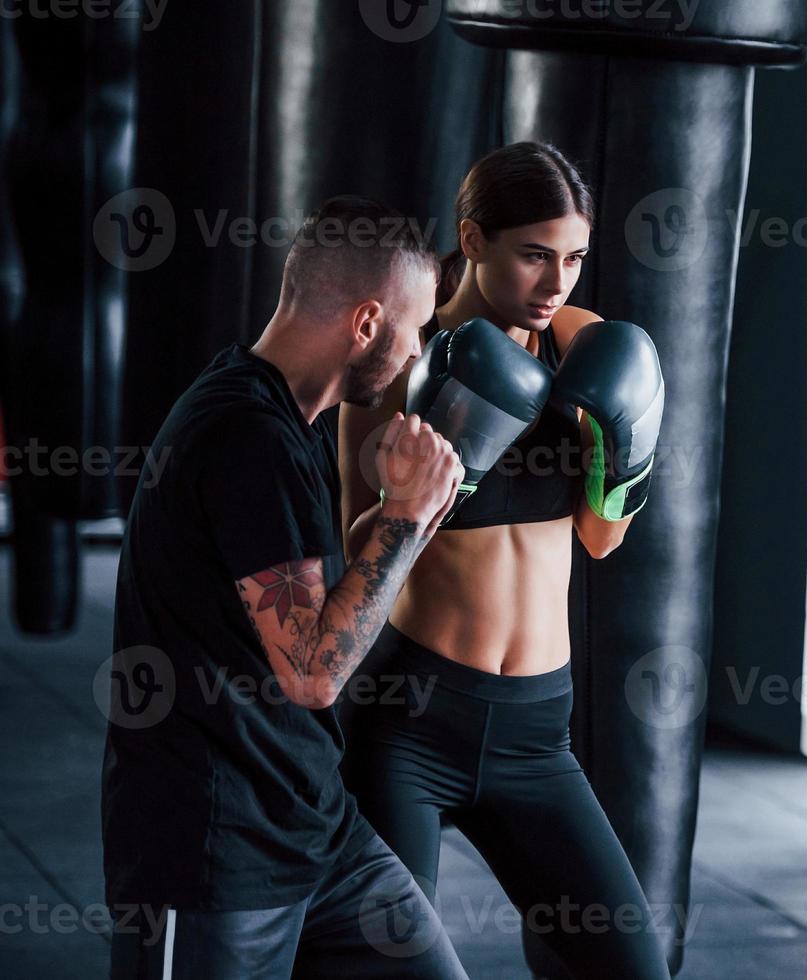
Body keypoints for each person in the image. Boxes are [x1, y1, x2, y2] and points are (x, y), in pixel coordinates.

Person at [102, 196, 471, 979]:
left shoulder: (286, 415)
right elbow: (312, 671)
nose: (415, 357)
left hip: (315, 828)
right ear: (366, 323)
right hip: (217, 855)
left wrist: (418, 512)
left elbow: (313, 603)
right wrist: (402, 519)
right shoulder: (246, 437)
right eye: (413, 331)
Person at [336, 142, 670, 979]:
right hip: (412, 722)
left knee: (633, 967)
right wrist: (440, 470)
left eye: (574, 258)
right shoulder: (399, 365)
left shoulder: (585, 344)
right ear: (473, 239)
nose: (556, 282)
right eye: (533, 255)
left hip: (536, 732)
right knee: (387, 969)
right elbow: (356, 552)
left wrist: (619, 456)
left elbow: (601, 539)